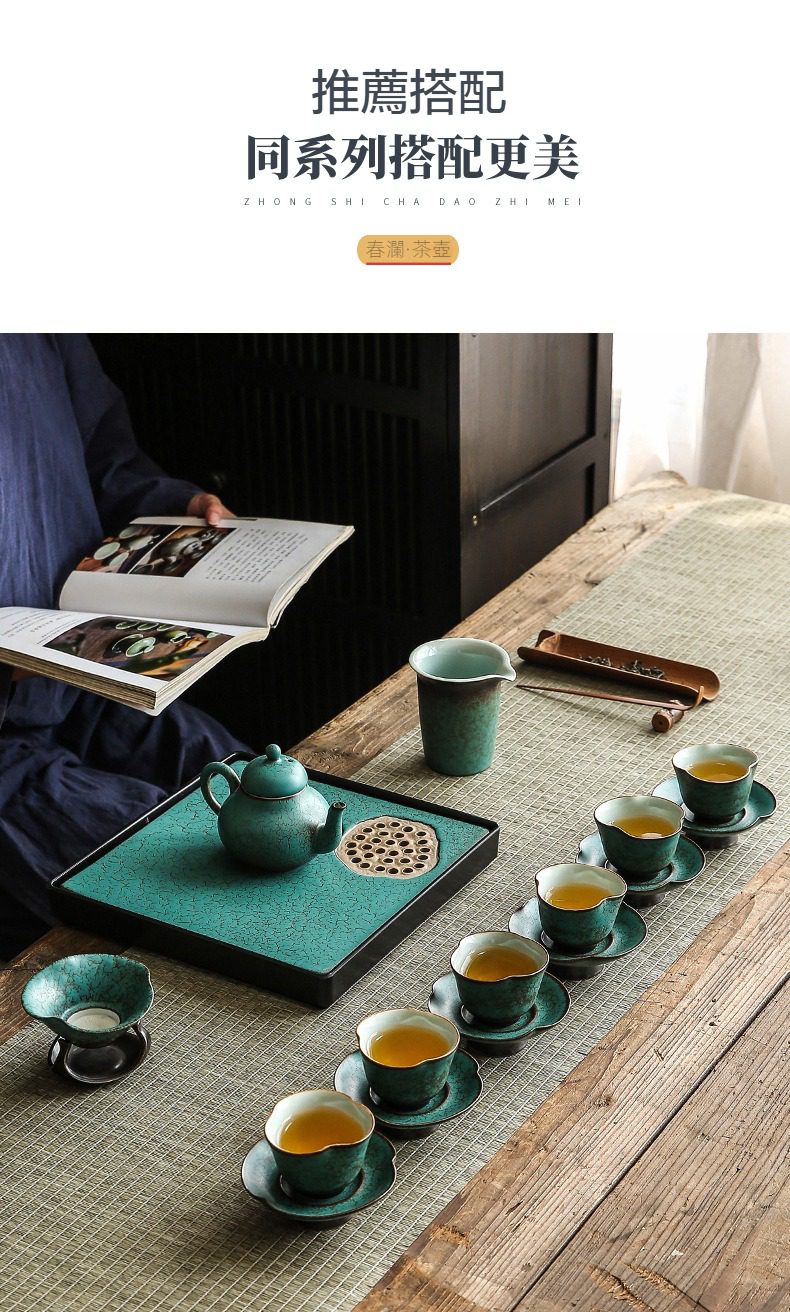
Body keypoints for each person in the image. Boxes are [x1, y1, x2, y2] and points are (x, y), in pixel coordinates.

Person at [0, 334, 253, 958]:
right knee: (184, 874)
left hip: (81, 684)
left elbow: (105, 455)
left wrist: (176, 506)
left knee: (262, 792)